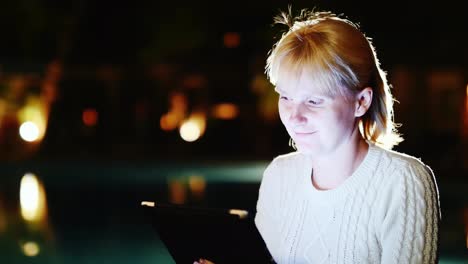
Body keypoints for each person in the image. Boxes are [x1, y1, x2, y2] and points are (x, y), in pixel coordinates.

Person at [253, 8, 441, 264]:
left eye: (314, 101)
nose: (294, 117)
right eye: (286, 97)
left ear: (361, 102)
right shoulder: (278, 175)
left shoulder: (403, 182)